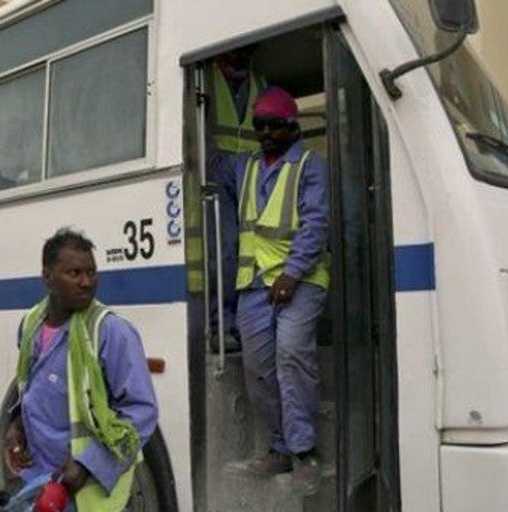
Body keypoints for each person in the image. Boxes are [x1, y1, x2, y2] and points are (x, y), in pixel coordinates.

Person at [0, 228, 159, 512]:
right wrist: (15, 425)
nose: (87, 282)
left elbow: (142, 413)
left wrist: (88, 465)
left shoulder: (111, 332)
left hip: (84, 492)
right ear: (48, 278)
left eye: (91, 273)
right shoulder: (30, 326)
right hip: (39, 485)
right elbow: (31, 388)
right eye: (75, 273)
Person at [222, 87, 329, 495]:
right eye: (259, 126)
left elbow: (316, 224)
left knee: (292, 355)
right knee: (258, 372)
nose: (265, 133)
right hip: (254, 285)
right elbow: (207, 162)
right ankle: (280, 447)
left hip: (301, 282)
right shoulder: (244, 166)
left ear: (292, 126)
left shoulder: (310, 165)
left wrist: (294, 273)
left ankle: (304, 453)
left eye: (273, 126)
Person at [199, 46, 268, 351]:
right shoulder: (205, 78)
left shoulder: (261, 83)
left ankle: (248, 324)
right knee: (224, 251)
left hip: (253, 175)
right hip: (217, 175)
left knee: (252, 253)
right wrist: (215, 165)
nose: (242, 57)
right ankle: (221, 324)